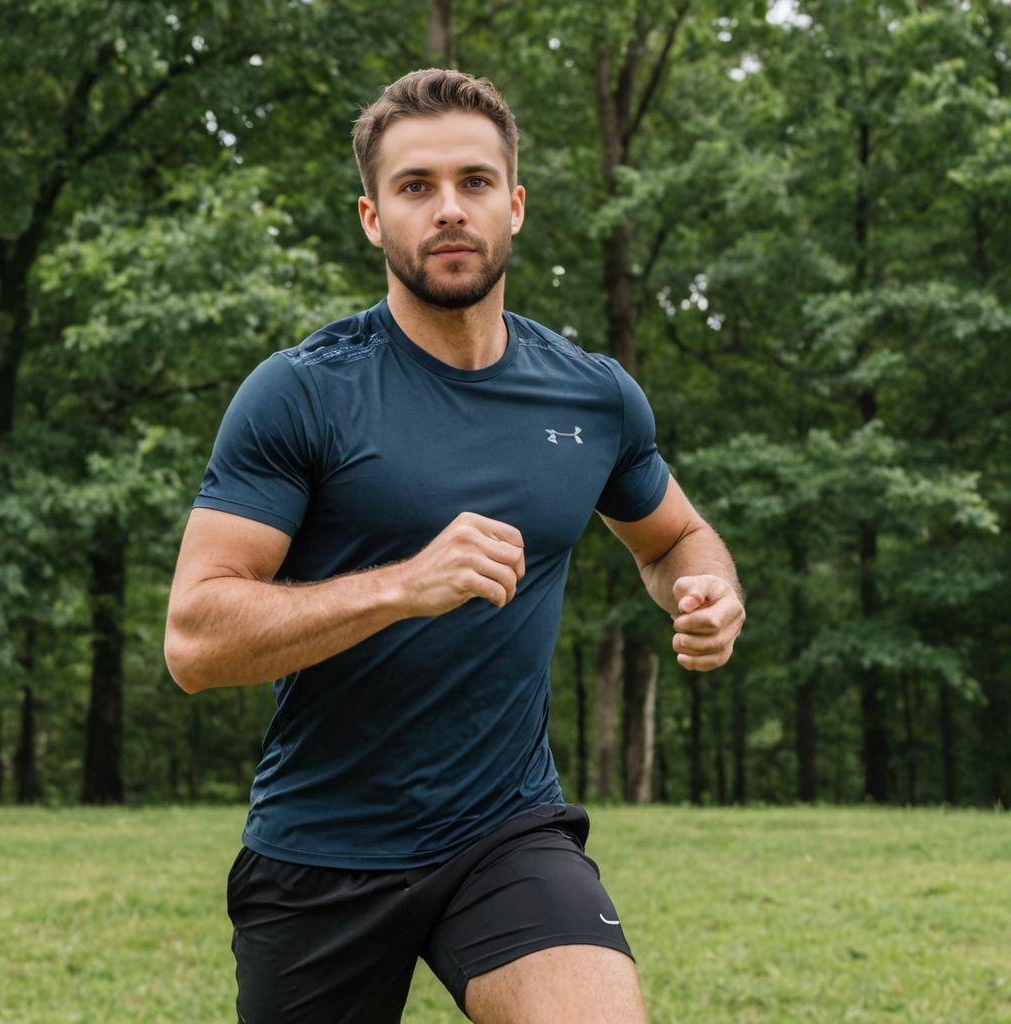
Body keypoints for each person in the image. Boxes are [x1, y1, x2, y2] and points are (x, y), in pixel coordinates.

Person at [164, 68, 744, 1024]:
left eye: (475, 182)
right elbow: (194, 640)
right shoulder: (302, 392)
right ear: (370, 216)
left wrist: (709, 589)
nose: (449, 210)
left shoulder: (591, 396)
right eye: (415, 186)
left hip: (503, 828)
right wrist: (402, 587)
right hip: (323, 846)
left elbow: (674, 536)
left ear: (514, 205)